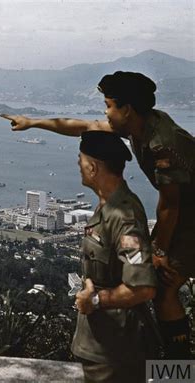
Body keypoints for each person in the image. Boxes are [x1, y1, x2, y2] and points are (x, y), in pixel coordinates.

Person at [1, 71, 194, 359]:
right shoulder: (140, 126)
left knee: (164, 288)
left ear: (126, 109)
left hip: (188, 218)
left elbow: (170, 205)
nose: (105, 112)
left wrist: (159, 249)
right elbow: (86, 126)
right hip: (185, 213)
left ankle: (178, 373)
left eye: (108, 105)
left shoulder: (161, 143)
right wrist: (33, 122)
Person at [73, 130, 157, 382]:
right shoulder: (108, 206)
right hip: (102, 344)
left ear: (93, 168)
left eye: (81, 159)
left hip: (116, 351)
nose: (78, 164)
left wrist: (95, 300)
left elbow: (142, 288)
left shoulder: (123, 216)